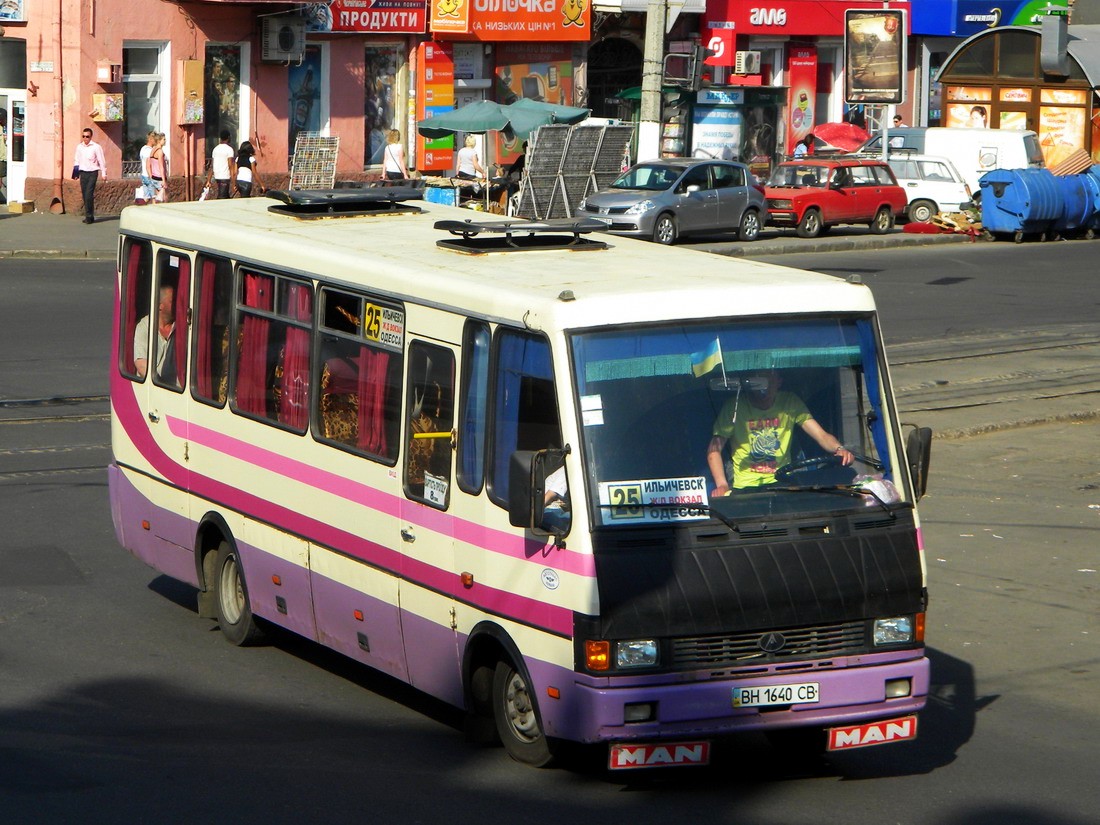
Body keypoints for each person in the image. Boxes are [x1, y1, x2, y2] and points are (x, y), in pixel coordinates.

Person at [706, 369, 853, 493]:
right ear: (751, 384)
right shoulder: (734, 407)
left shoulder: (790, 403)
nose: (765, 387)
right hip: (745, 489)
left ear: (779, 382)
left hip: (783, 484)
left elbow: (821, 436)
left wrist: (839, 449)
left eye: (770, 381)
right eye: (761, 382)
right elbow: (714, 450)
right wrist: (722, 485)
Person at [134, 285, 176, 381]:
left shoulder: (182, 326)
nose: (177, 304)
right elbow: (141, 365)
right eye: (172, 301)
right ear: (160, 305)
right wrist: (160, 386)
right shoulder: (144, 326)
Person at [73, 127, 107, 224]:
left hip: (93, 172)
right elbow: (76, 160)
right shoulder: (79, 147)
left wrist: (104, 173)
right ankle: (89, 215)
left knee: (88, 194)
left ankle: (89, 216)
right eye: (83, 136)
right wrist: (75, 173)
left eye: (87, 136)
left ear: (91, 137)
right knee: (85, 195)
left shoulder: (96, 147)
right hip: (83, 172)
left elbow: (101, 160)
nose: (85, 138)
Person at [205, 129, 236, 199]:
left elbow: (211, 166)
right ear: (228, 137)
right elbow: (230, 166)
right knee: (222, 198)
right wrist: (234, 182)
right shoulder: (229, 149)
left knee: (225, 196)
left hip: (217, 176)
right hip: (225, 177)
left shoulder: (215, 149)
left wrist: (208, 180)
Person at [138, 130, 156, 203]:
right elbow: (150, 164)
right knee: (154, 197)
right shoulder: (150, 151)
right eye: (155, 139)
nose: (156, 141)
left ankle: (140, 209)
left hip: (144, 175)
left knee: (146, 197)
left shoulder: (143, 148)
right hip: (149, 175)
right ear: (151, 139)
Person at [149, 132, 168, 202]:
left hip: (154, 177)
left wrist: (150, 175)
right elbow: (161, 166)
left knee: (157, 198)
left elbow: (150, 164)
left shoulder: (153, 149)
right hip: (160, 178)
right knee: (164, 198)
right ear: (159, 141)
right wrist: (164, 180)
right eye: (164, 139)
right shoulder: (160, 151)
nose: (165, 141)